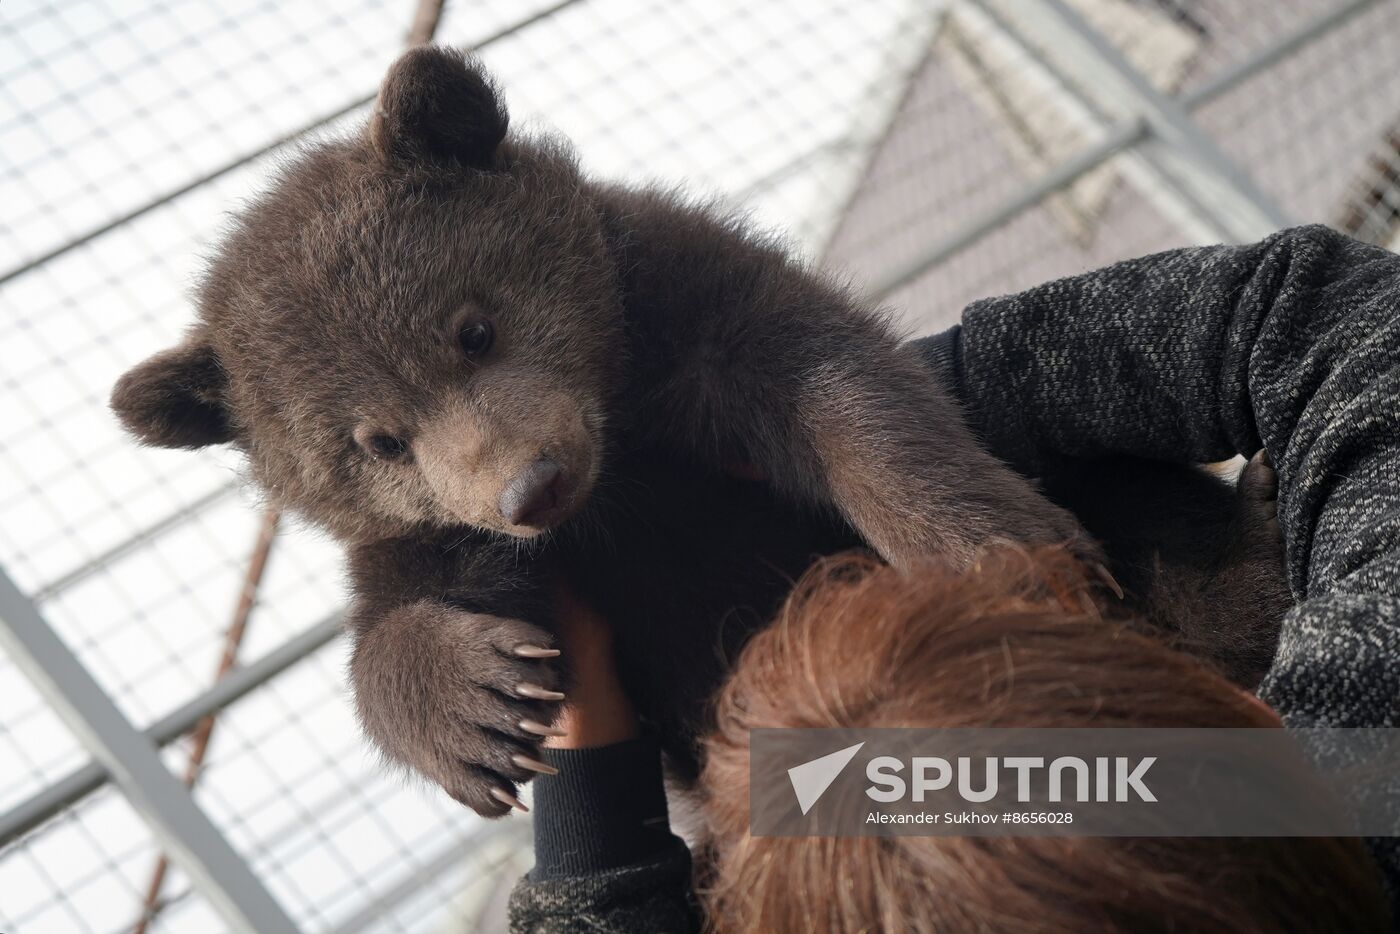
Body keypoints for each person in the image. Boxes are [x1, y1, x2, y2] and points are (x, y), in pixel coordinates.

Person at [506, 225, 1400, 931]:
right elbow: (1324, 317)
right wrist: (904, 416)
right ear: (1244, 713)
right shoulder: (1364, 767)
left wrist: (588, 780)